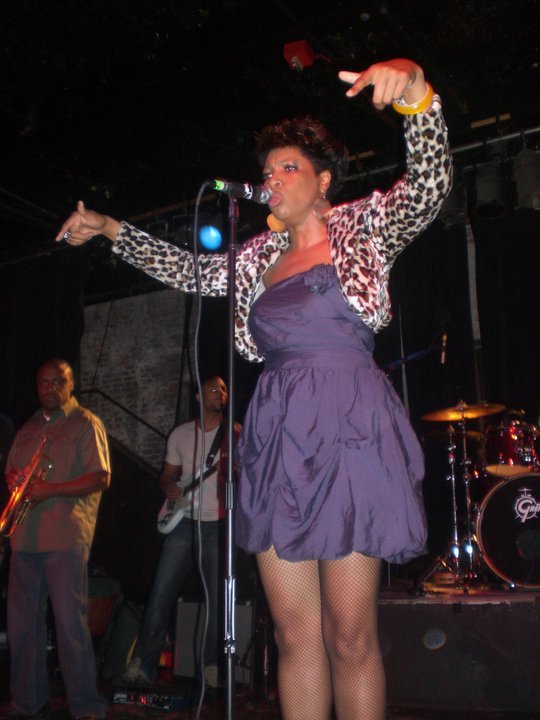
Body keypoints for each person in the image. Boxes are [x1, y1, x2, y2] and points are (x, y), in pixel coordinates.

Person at [56, 58, 452, 720]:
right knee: (294, 635)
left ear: (323, 181)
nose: (272, 178)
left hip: (349, 426)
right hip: (279, 434)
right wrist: (111, 231)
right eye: (267, 170)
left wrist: (414, 88)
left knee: (348, 635)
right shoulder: (254, 259)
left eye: (288, 167)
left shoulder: (363, 226)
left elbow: (429, 188)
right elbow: (188, 269)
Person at [4, 358, 110, 720]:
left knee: (69, 625)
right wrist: (15, 479)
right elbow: (13, 472)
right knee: (22, 626)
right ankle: (27, 702)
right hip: (25, 539)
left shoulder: (86, 423)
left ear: (71, 384)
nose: (50, 388)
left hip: (65, 536)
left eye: (57, 382)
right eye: (43, 383)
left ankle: (86, 706)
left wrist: (50, 490)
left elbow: (101, 477)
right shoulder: (27, 428)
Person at [121, 376, 240, 690]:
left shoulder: (234, 434)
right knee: (161, 594)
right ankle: (142, 665)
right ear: (198, 397)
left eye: (224, 389)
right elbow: (167, 476)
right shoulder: (181, 434)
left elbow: (246, 474)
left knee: (216, 600)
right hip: (183, 524)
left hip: (218, 526)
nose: (220, 393)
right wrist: (169, 487)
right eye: (213, 388)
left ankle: (210, 669)